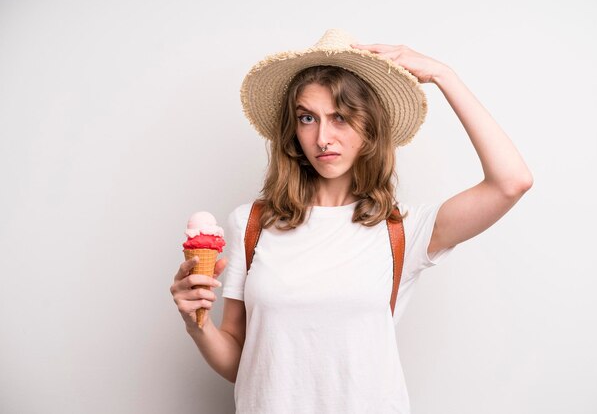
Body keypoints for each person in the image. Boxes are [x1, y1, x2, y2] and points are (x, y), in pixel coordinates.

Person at [170, 29, 532, 413]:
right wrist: (198, 325)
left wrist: (444, 75)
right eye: (308, 118)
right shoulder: (251, 223)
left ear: (369, 129)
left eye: (340, 117)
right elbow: (241, 364)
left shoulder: (402, 228)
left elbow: (511, 182)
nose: (323, 137)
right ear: (293, 132)